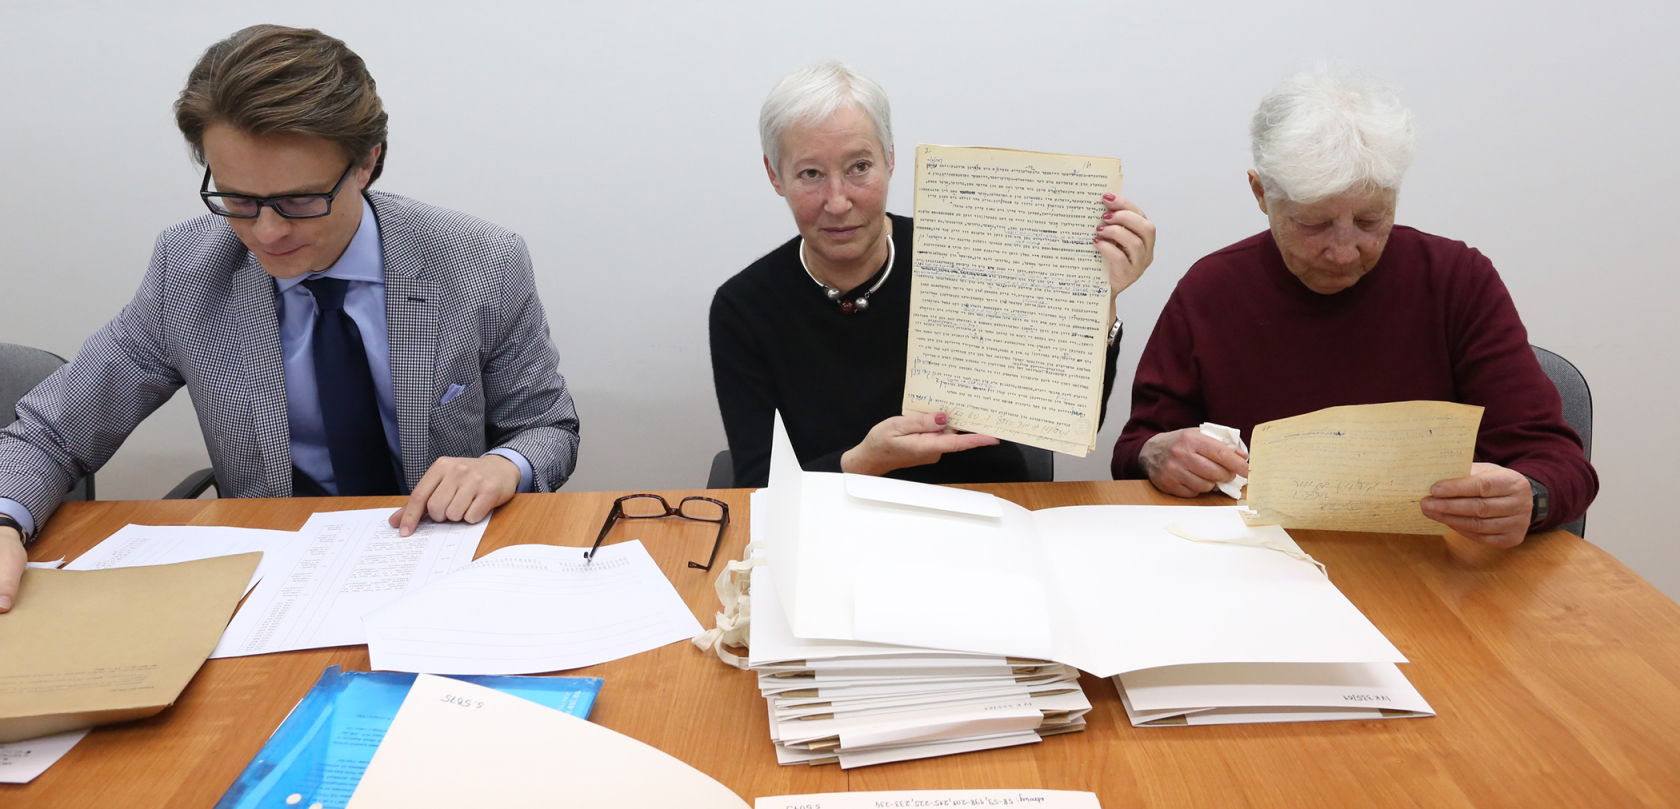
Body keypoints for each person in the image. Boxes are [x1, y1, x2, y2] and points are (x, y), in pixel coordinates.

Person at [0, 25, 580, 613]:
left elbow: (548, 427)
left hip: (446, 567)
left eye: (300, 201)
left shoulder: (479, 261)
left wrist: (502, 465)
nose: (267, 232)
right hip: (277, 583)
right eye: (238, 200)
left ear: (367, 162)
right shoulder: (188, 272)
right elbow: (53, 433)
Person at [1112, 68, 1596, 547]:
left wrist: (1531, 497)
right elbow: (1137, 450)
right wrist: (1158, 454)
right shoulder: (1212, 290)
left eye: (1370, 219)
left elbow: (1561, 464)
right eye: (1313, 224)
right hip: (1260, 561)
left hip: (1429, 568)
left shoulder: (1456, 281)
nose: (1345, 251)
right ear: (1261, 193)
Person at [711, 61, 1156, 488]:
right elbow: (757, 488)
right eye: (810, 173)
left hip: (984, 502)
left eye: (859, 167)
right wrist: (862, 463)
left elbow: (1064, 419)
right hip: (830, 521)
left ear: (890, 158)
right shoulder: (744, 307)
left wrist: (1098, 303)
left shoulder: (967, 258)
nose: (838, 201)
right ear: (775, 175)